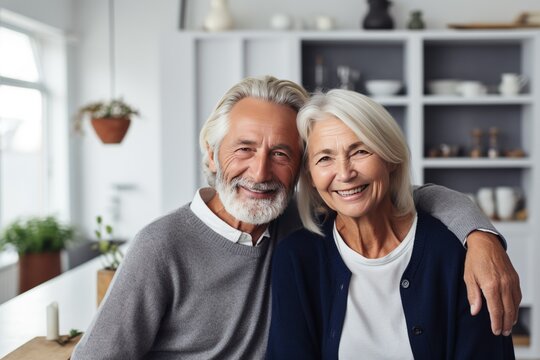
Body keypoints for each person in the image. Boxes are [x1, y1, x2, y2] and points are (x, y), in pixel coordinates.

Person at [72, 76, 519, 359]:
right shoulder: (162, 245)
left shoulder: (293, 223)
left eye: (281, 154)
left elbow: (399, 195)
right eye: (244, 149)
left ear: (300, 170)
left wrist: (480, 234)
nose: (261, 172)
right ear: (210, 153)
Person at [267, 89, 515, 359]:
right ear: (311, 176)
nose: (345, 173)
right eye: (325, 158)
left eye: (360, 151)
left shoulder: (455, 251)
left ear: (390, 158)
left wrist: (482, 235)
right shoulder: (297, 258)